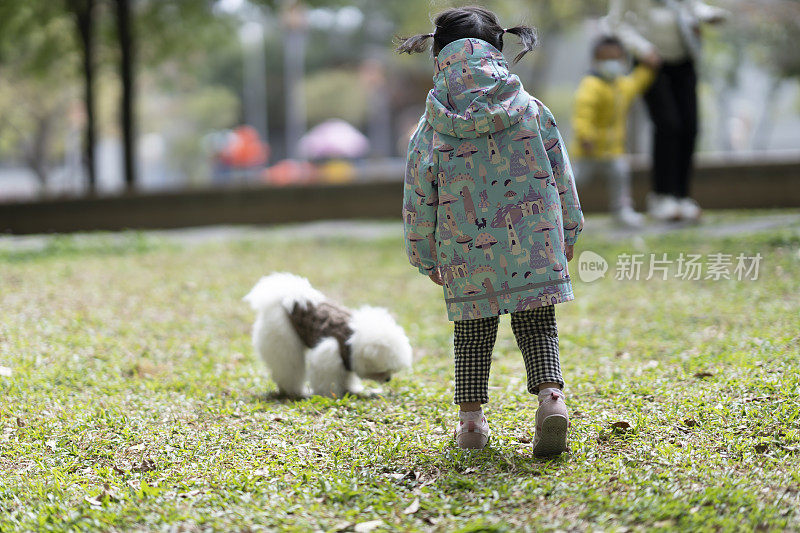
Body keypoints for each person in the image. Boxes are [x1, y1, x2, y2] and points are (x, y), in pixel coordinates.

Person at [396, 6, 584, 456]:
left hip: (466, 254)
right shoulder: (532, 111)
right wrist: (570, 231)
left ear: (439, 57)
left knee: (472, 335)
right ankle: (552, 401)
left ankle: (472, 425)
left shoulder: (432, 126)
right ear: (498, 52)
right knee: (538, 325)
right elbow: (562, 176)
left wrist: (424, 254)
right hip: (534, 245)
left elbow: (419, 196)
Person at [604, 0, 727, 221]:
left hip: (684, 58)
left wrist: (708, 15)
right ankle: (661, 196)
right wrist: (643, 49)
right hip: (651, 63)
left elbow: (691, 6)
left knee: (690, 125)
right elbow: (616, 23)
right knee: (668, 124)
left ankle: (682, 196)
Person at [571, 35, 657, 228]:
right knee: (576, 180)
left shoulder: (621, 85)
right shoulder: (590, 85)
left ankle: (621, 211)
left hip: (614, 150)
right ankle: (561, 210)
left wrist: (648, 68)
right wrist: (585, 136)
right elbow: (582, 114)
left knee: (620, 174)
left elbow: (636, 83)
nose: (611, 63)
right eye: (605, 59)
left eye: (616, 58)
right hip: (589, 150)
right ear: (595, 60)